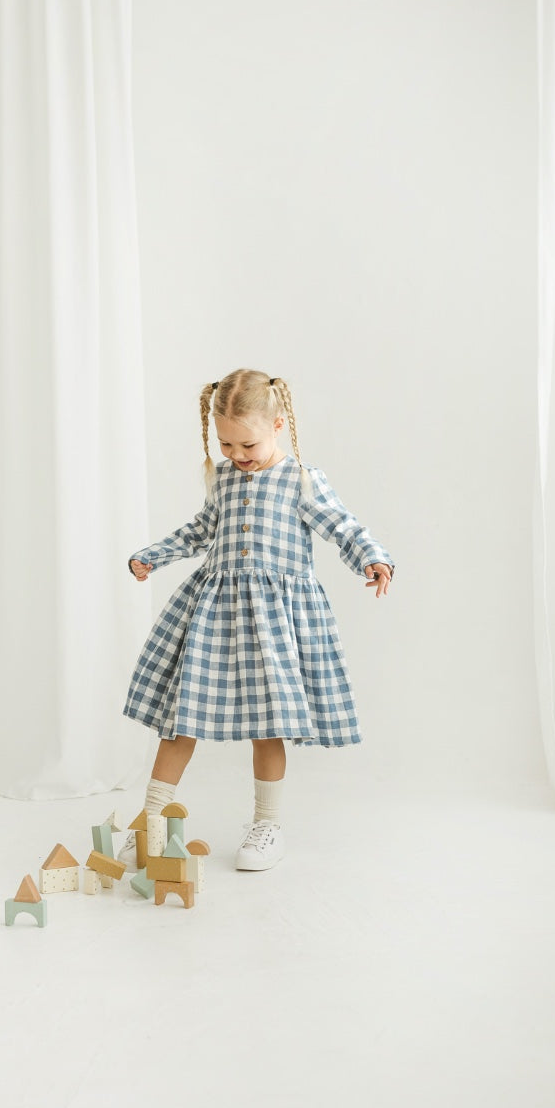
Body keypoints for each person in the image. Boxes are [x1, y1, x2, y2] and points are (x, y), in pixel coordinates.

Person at [120, 368, 393, 872]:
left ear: (278, 425)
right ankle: (151, 822)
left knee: (268, 727)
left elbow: (344, 527)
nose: (237, 456)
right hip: (214, 615)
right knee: (181, 719)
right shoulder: (222, 478)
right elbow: (201, 530)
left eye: (246, 444)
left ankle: (267, 824)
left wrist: (373, 558)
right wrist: (154, 555)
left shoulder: (302, 479)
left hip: (274, 623)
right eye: (225, 444)